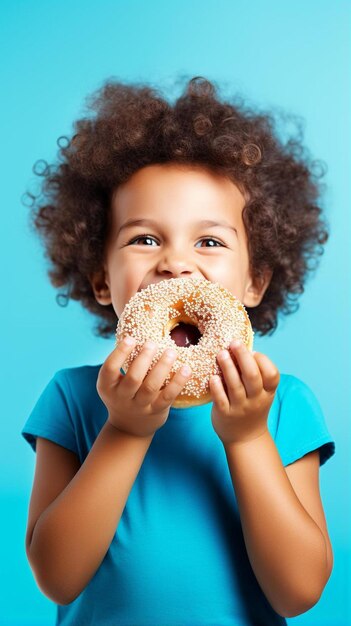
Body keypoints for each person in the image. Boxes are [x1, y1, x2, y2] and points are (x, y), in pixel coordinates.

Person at [22, 76, 335, 626]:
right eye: (145, 239)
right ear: (101, 280)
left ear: (255, 282)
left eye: (209, 241)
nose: (175, 263)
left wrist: (249, 435)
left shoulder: (283, 403)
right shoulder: (72, 398)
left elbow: (299, 592)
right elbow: (56, 575)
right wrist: (124, 429)